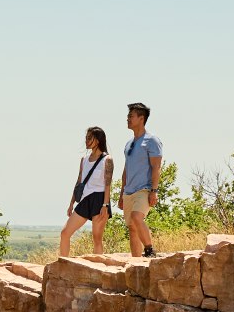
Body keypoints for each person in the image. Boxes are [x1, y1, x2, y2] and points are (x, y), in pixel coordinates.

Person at [59, 126, 113, 259]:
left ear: (98, 140)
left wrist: (105, 205)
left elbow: (108, 185)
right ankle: (63, 264)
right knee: (65, 233)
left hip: (100, 200)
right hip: (84, 199)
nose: (86, 141)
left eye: (90, 138)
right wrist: (71, 203)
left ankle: (99, 270)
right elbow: (78, 182)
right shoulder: (84, 160)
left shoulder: (108, 160)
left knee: (97, 238)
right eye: (86, 138)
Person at [119, 102, 163, 258]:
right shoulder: (129, 144)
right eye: (128, 116)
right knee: (132, 227)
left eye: (131, 116)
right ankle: (136, 262)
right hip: (128, 191)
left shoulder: (152, 141)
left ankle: (150, 250)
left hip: (144, 189)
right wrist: (121, 193)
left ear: (141, 118)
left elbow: (156, 167)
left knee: (137, 218)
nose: (128, 119)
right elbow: (126, 169)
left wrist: (154, 191)